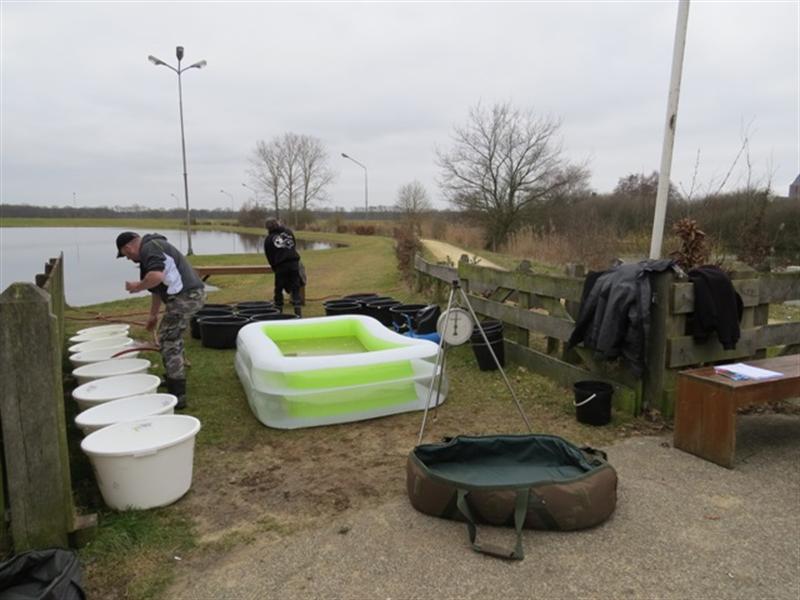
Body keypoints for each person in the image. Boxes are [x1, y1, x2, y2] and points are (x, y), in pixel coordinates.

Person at [116, 231, 205, 409]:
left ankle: (178, 392)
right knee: (171, 335)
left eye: (126, 255)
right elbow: (157, 289)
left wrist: (137, 286)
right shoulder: (151, 250)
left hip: (187, 297)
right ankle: (174, 376)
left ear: (128, 247)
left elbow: (156, 277)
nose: (128, 258)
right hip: (187, 297)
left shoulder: (150, 248)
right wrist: (153, 315)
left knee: (168, 339)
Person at [263, 218, 303, 317]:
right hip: (294, 263)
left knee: (278, 289)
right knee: (295, 288)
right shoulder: (288, 232)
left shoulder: (269, 239)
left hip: (281, 266)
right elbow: (293, 246)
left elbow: (269, 256)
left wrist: (274, 267)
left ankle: (279, 312)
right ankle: (298, 313)